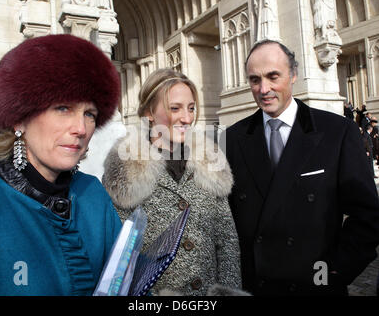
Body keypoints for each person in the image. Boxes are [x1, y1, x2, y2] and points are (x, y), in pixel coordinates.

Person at [0, 34, 122, 295]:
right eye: (63, 108)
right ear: (19, 119)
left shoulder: (93, 193)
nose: (81, 128)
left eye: (89, 113)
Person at [223, 39, 379, 296]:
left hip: (314, 287)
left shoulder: (337, 132)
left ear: (293, 74)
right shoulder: (230, 139)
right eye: (254, 80)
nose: (264, 89)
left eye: (273, 76)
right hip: (254, 289)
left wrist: (332, 273)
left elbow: (368, 217)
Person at [103, 68, 243, 296]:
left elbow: (226, 242)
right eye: (175, 108)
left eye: (191, 108)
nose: (187, 118)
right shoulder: (125, 172)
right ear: (149, 112)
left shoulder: (211, 162)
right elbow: (117, 258)